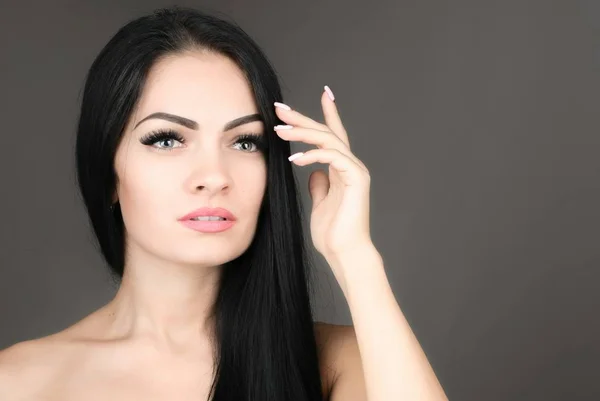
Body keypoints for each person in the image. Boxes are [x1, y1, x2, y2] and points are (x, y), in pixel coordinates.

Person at [0, 6, 447, 401]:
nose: (214, 177)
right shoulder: (18, 382)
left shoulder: (343, 362)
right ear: (108, 173)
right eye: (167, 139)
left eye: (245, 142)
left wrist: (355, 257)